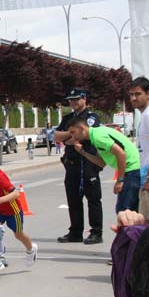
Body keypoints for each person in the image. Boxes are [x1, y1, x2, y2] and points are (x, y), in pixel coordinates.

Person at [53, 88, 103, 244]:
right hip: (72, 164)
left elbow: (86, 136)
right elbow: (56, 136)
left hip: (87, 162)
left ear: (84, 99)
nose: (73, 102)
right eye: (71, 100)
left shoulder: (91, 117)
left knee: (93, 199)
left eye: (76, 99)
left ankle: (96, 232)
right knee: (73, 200)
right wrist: (73, 135)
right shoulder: (68, 117)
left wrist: (68, 136)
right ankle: (75, 231)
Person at [68, 116, 141, 214]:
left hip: (131, 170)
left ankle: (130, 229)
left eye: (73, 132)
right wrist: (82, 152)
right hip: (133, 170)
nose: (73, 137)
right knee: (131, 211)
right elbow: (101, 163)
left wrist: (120, 180)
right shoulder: (96, 135)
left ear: (82, 128)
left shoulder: (98, 137)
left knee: (124, 211)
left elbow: (121, 154)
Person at [130, 77, 149, 221]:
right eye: (131, 95)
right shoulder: (145, 115)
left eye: (138, 94)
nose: (134, 98)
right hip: (146, 174)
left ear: (148, 94)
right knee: (146, 222)